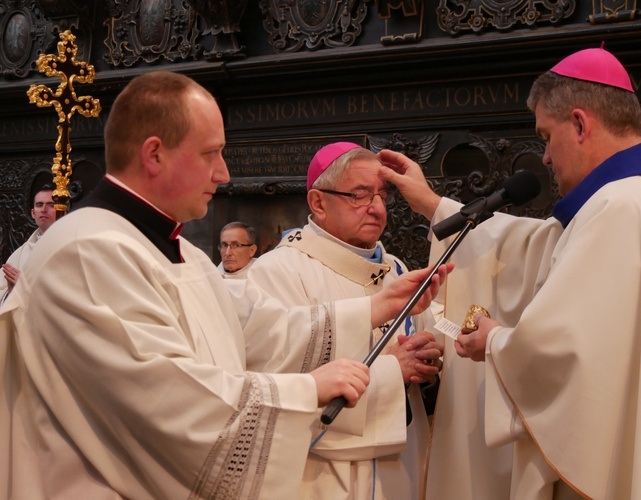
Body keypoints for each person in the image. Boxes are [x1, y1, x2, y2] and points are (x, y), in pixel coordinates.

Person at [0, 71, 449, 499]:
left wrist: (376, 306)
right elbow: (168, 404)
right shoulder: (88, 250)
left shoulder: (180, 251)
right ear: (154, 154)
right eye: (210, 153)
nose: (224, 173)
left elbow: (255, 330)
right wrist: (307, 389)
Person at [379, 46, 641, 499]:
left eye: (546, 135)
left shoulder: (618, 207)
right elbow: (542, 248)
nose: (544, 156)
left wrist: (495, 340)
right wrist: (432, 203)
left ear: (580, 124)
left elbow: (566, 353)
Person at [245, 142, 444, 500]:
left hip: (403, 464)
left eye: (382, 195)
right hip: (322, 476)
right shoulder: (277, 272)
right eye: (359, 195)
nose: (377, 208)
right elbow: (275, 379)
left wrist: (427, 360)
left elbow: (420, 344)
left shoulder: (395, 268)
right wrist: (390, 371)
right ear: (318, 203)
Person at [0, 185, 58, 303]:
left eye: (51, 205)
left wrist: (27, 287)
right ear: (33, 213)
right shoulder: (19, 255)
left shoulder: (70, 247)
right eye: (39, 205)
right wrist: (12, 292)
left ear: (62, 210)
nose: (44, 209)